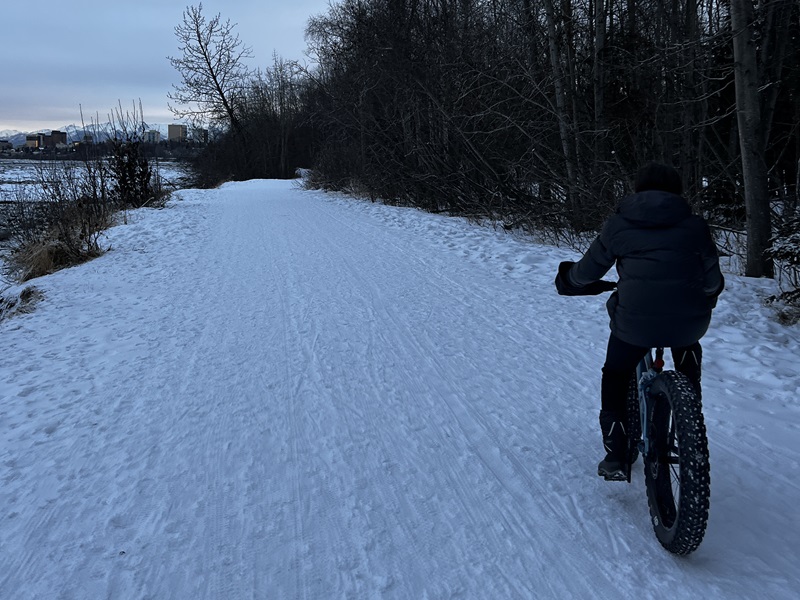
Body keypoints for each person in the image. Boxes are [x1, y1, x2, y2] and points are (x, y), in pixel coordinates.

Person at [555, 162, 724, 481]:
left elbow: (586, 273)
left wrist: (568, 280)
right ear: (678, 191)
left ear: (636, 189)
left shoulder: (618, 225)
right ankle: (689, 419)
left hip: (634, 323)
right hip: (687, 323)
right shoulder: (696, 227)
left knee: (616, 373)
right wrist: (704, 300)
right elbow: (712, 282)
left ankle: (617, 453)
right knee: (687, 347)